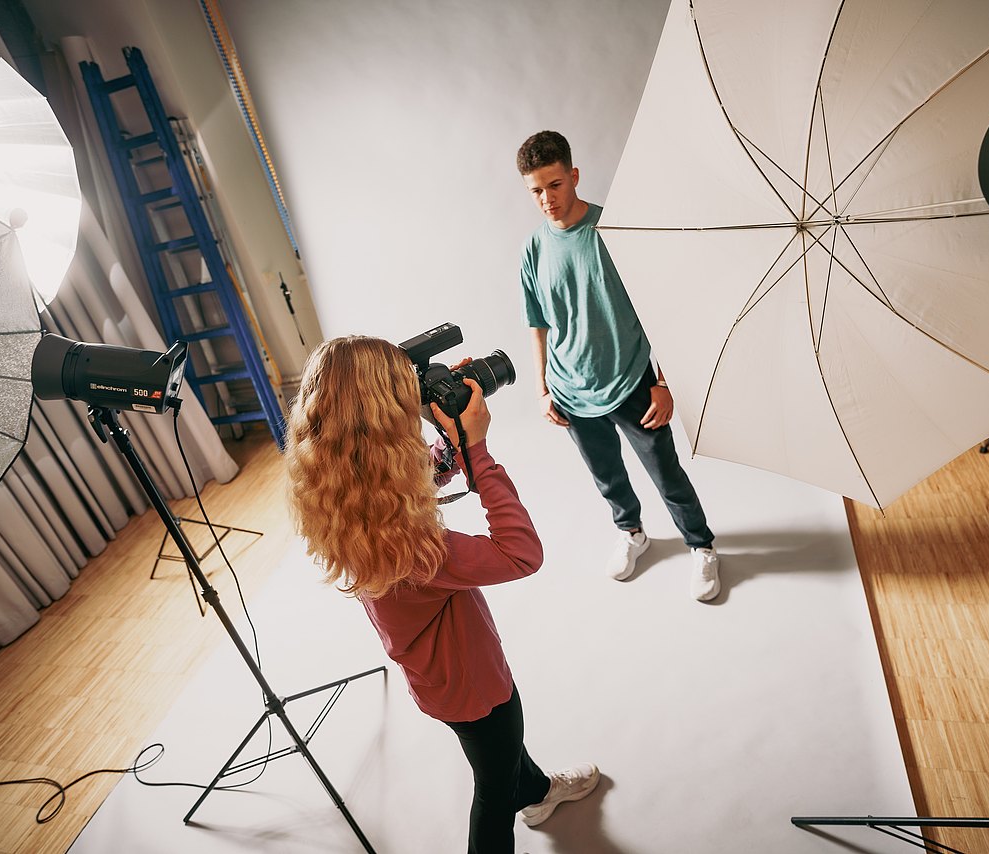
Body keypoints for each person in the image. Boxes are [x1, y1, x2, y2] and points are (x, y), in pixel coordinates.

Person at [284, 335, 599, 854]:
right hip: (473, 681)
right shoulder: (416, 551)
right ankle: (524, 799)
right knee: (494, 785)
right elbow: (522, 553)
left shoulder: (343, 497)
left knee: (498, 752)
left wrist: (448, 442)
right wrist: (476, 447)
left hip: (438, 676)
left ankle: (538, 792)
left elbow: (402, 483)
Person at [516, 129, 721, 602]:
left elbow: (662, 312)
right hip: (571, 389)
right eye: (536, 190)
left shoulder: (613, 234)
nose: (547, 199)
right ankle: (632, 532)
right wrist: (543, 387)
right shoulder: (533, 249)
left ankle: (702, 545)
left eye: (555, 185)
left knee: (666, 472)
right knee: (606, 474)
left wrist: (665, 382)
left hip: (631, 380)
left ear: (574, 175)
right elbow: (537, 326)